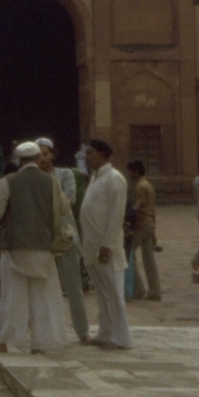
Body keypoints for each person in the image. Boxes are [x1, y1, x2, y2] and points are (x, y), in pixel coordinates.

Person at [0, 142, 71, 355]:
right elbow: (63, 208)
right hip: (43, 245)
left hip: (14, 247)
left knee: (13, 296)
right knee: (41, 296)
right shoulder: (51, 182)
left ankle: (6, 341)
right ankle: (41, 343)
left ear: (18, 160)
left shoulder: (8, 181)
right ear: (37, 158)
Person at [36, 139, 92, 344]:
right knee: (40, 289)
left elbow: (68, 201)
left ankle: (82, 331)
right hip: (41, 239)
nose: (41, 157)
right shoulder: (30, 178)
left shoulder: (65, 174)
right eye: (38, 154)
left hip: (65, 237)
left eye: (45, 153)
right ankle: (44, 330)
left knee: (73, 287)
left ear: (53, 155)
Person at [79, 140, 131, 349]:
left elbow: (116, 215)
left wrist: (107, 245)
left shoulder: (114, 179)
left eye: (90, 153)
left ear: (102, 154)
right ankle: (105, 332)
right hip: (92, 244)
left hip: (107, 247)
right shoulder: (96, 178)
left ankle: (121, 338)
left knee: (115, 293)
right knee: (102, 293)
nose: (87, 158)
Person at [125, 160, 161, 301]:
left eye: (130, 171)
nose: (128, 174)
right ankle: (155, 291)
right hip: (150, 222)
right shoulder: (148, 185)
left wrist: (131, 227)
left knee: (128, 255)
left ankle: (138, 288)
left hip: (142, 224)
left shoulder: (140, 187)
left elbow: (140, 208)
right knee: (149, 260)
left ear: (136, 171)